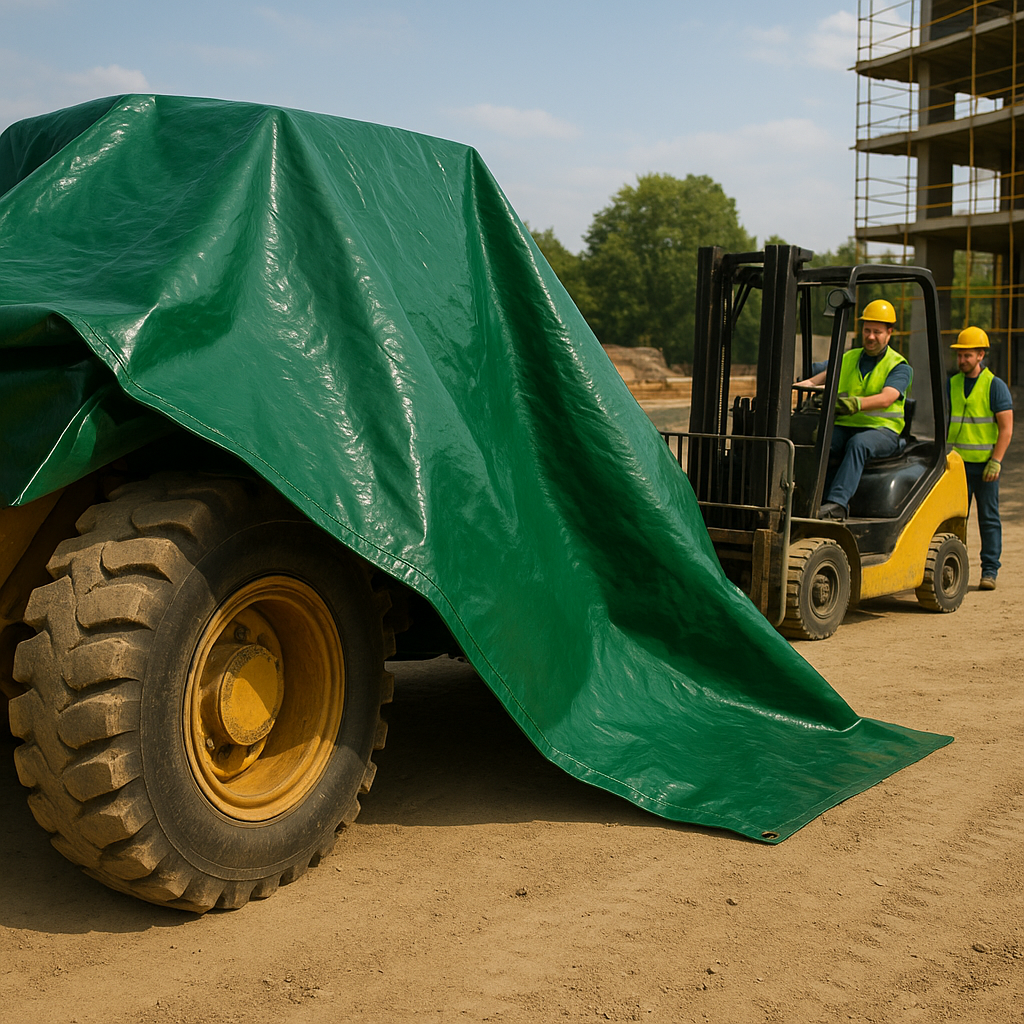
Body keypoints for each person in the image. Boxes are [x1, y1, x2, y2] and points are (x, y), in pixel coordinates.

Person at [794, 299, 913, 519]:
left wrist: (854, 404)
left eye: (877, 332)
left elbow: (887, 398)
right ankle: (806, 497)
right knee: (819, 440)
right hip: (846, 425)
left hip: (883, 431)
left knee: (858, 444)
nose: (870, 336)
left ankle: (838, 504)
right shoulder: (848, 358)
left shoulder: (899, 366)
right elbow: (814, 381)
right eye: (867, 330)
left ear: (889, 333)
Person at [947, 326, 1014, 590]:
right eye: (960, 355)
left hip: (986, 467)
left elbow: (1006, 427)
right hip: (956, 467)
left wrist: (996, 460)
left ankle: (989, 571)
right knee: (953, 520)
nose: (962, 360)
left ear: (980, 355)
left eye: (968, 355)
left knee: (988, 518)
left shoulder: (995, 386)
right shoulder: (951, 383)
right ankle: (953, 570)